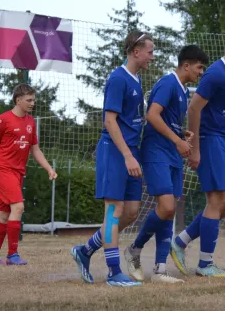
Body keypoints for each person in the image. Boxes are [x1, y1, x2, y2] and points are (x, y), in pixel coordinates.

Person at [171, 28, 225, 277]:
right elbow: (193, 110)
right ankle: (205, 264)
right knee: (217, 201)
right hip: (209, 141)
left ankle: (179, 243)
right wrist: (194, 148)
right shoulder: (215, 74)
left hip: (224, 143)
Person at [71, 31, 154, 287]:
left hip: (130, 152)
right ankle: (113, 272)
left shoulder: (136, 80)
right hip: (116, 152)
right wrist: (128, 155)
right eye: (149, 51)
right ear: (135, 51)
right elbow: (109, 120)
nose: (152, 56)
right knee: (114, 210)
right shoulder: (117, 79)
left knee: (130, 212)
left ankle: (84, 251)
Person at [124, 45, 209, 284]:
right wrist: (176, 141)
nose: (201, 72)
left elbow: (166, 120)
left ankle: (160, 269)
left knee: (169, 211)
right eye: (199, 67)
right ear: (186, 65)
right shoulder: (168, 83)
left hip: (171, 153)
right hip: (156, 151)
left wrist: (181, 134)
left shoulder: (182, 90)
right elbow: (152, 115)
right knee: (167, 206)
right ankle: (134, 249)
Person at [0, 83, 57, 265]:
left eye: (34, 100)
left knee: (3, 214)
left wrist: (49, 168)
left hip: (18, 173)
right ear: (18, 100)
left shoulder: (31, 122)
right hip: (2, 170)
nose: (33, 103)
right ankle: (12, 255)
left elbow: (36, 150)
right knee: (18, 207)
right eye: (29, 100)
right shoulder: (2, 120)